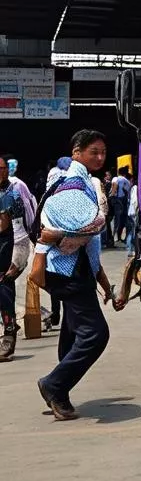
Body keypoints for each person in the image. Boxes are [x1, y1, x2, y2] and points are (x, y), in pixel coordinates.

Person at [34, 130, 116, 420]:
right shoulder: (73, 184)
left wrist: (104, 283)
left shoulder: (83, 183)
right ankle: (54, 385)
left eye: (104, 152)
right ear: (77, 152)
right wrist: (96, 221)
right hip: (69, 271)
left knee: (71, 333)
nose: (100, 157)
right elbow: (91, 225)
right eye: (94, 151)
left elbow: (89, 244)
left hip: (70, 269)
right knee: (95, 334)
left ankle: (60, 395)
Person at [40, 157, 72, 328]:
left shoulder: (53, 178)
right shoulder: (73, 181)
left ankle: (56, 314)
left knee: (56, 278)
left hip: (54, 239)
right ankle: (66, 316)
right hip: (68, 241)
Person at [0, 155, 27, 361]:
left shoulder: (13, 195)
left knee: (5, 296)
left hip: (6, 256)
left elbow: (19, 231)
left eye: (2, 168)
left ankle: (9, 337)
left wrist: (18, 261)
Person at [3, 155, 36, 290]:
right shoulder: (19, 185)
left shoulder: (15, 185)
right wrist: (32, 231)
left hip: (13, 234)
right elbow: (29, 210)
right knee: (10, 274)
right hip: (17, 234)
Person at [125, 174, 138, 252]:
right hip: (133, 211)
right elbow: (134, 201)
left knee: (131, 230)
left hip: (131, 211)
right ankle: (130, 249)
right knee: (132, 230)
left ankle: (130, 248)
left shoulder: (132, 188)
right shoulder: (135, 188)